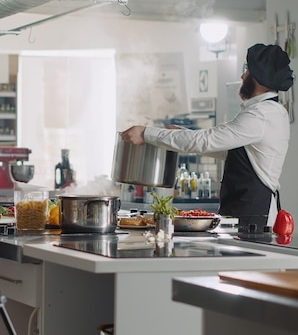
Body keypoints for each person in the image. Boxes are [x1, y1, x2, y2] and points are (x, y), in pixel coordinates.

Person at [121, 43, 294, 226]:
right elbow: (230, 152)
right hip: (242, 210)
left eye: (247, 70)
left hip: (254, 215)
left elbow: (207, 140)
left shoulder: (261, 115)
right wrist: (183, 134)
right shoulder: (264, 111)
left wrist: (147, 133)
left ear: (259, 78)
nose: (243, 76)